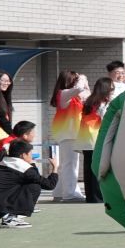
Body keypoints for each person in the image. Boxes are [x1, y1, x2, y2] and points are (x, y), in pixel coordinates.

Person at [0, 137, 55, 225]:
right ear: (23, 155)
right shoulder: (24, 168)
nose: (31, 156)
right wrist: (55, 169)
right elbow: (49, 185)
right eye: (30, 153)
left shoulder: (2, 162)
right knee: (34, 186)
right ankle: (11, 217)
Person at [48, 68, 89, 201]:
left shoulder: (72, 96)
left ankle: (59, 192)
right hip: (68, 134)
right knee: (70, 164)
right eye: (75, 79)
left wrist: (84, 83)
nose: (78, 81)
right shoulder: (64, 93)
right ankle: (70, 193)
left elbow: (87, 94)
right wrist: (82, 78)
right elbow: (79, 88)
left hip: (69, 133)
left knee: (66, 164)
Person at [77, 77, 113, 203]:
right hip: (96, 139)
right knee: (96, 167)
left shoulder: (89, 101)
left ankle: (91, 196)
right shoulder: (102, 104)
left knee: (88, 168)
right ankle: (98, 196)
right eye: (111, 88)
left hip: (86, 139)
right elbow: (105, 120)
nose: (112, 90)